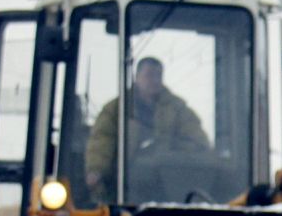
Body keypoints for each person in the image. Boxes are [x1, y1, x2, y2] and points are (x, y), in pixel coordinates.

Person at [83, 57, 211, 203]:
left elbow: (198, 142)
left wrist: (171, 151)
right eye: (149, 75)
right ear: (137, 78)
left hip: (166, 182)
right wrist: (96, 169)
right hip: (123, 183)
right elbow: (102, 139)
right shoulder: (117, 108)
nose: (155, 80)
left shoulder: (177, 109)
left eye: (159, 75)